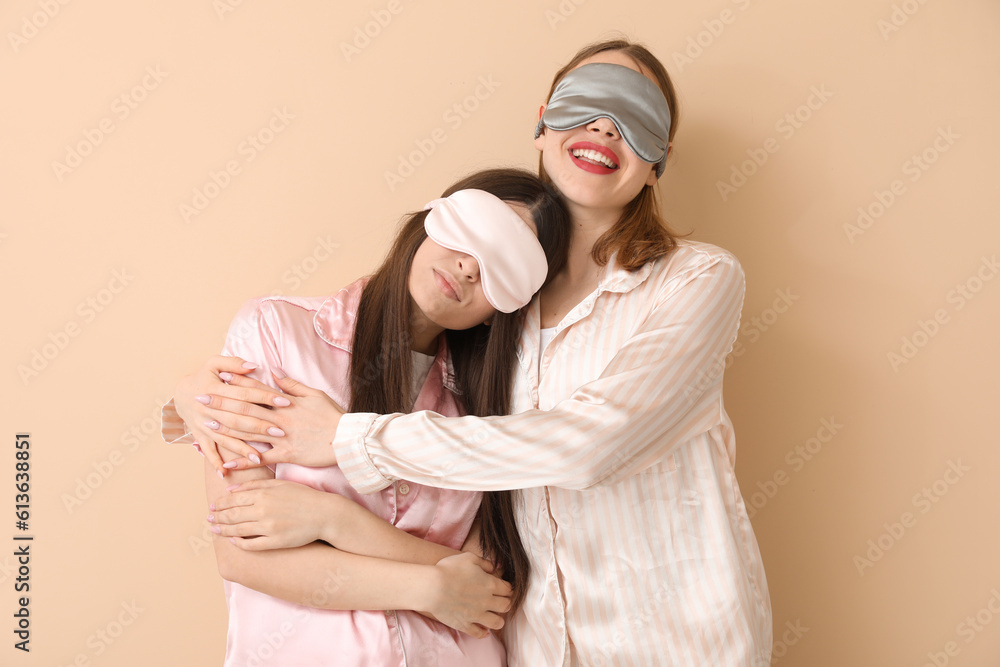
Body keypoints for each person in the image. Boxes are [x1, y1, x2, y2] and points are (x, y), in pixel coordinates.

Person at [187, 39, 772, 666]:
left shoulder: (697, 280)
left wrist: (348, 452)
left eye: (635, 116)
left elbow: (594, 442)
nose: (605, 125)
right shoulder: (492, 333)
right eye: (586, 103)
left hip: (674, 642)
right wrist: (190, 403)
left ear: (658, 162)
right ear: (543, 123)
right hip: (539, 647)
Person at [162, 168, 570, 666]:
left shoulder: (490, 406)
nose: (468, 267)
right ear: (431, 220)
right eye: (473, 233)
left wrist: (332, 520)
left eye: (502, 265)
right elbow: (241, 553)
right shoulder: (275, 333)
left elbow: (484, 584)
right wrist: (430, 587)